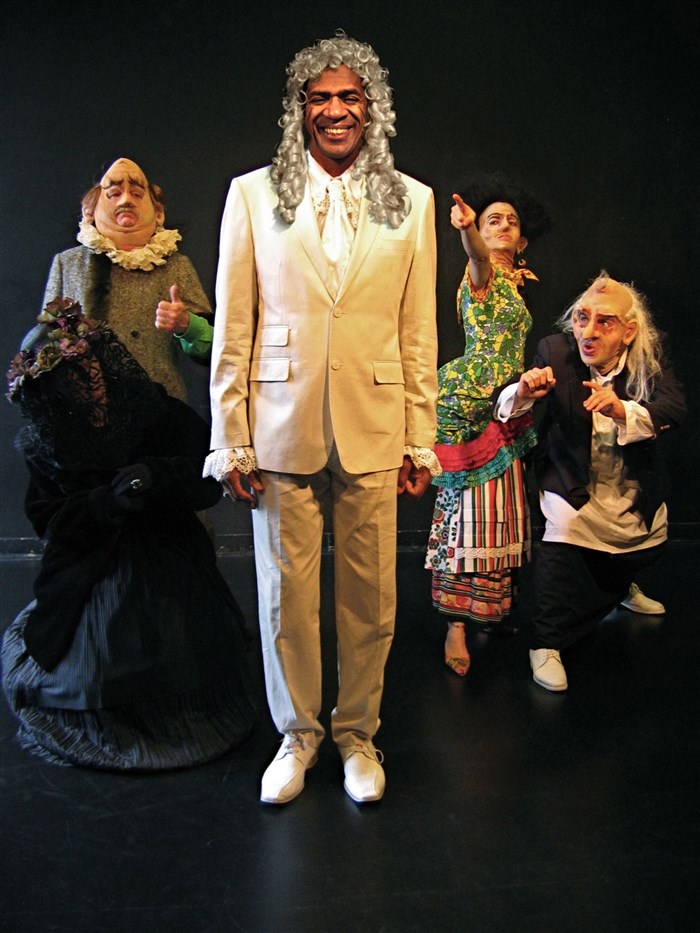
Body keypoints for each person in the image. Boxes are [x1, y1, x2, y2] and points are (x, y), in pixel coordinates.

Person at [204, 33, 439, 804]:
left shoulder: (414, 202)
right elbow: (234, 327)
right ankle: (297, 734)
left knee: (372, 595)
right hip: (280, 422)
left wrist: (421, 438)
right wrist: (230, 437)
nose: (335, 110)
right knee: (285, 596)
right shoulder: (251, 195)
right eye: (320, 98)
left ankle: (357, 734)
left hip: (375, 421)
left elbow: (419, 333)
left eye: (349, 96)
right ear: (299, 109)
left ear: (372, 107)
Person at [2, 300, 256, 769]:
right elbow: (50, 523)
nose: (90, 380)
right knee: (95, 660)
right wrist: (106, 502)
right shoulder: (47, 441)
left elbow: (206, 476)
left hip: (166, 551)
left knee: (180, 643)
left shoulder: (151, 408)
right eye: (73, 376)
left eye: (92, 366)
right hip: (93, 564)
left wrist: (155, 475)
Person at [495, 273, 685, 691]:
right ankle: (546, 644)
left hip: (629, 481)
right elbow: (507, 405)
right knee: (561, 556)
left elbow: (673, 407)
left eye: (604, 322)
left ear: (628, 332)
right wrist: (523, 392)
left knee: (644, 546)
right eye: (582, 318)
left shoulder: (650, 354)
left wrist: (622, 410)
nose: (589, 332)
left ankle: (620, 586)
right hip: (572, 480)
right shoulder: (555, 350)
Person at [425, 176, 551, 677]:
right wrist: (467, 231)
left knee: (499, 508)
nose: (501, 226)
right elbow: (477, 257)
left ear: (522, 240)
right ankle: (456, 624)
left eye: (510, 222)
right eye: (491, 220)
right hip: (470, 402)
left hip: (504, 402)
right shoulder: (483, 273)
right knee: (465, 511)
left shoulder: (514, 282)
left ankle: (488, 611)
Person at [38, 157, 213, 401]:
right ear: (89, 211)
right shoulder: (67, 264)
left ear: (158, 213)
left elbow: (215, 347)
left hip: (158, 403)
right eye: (114, 194)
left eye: (137, 194)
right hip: (88, 406)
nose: (126, 200)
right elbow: (43, 342)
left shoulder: (175, 266)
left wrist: (187, 325)